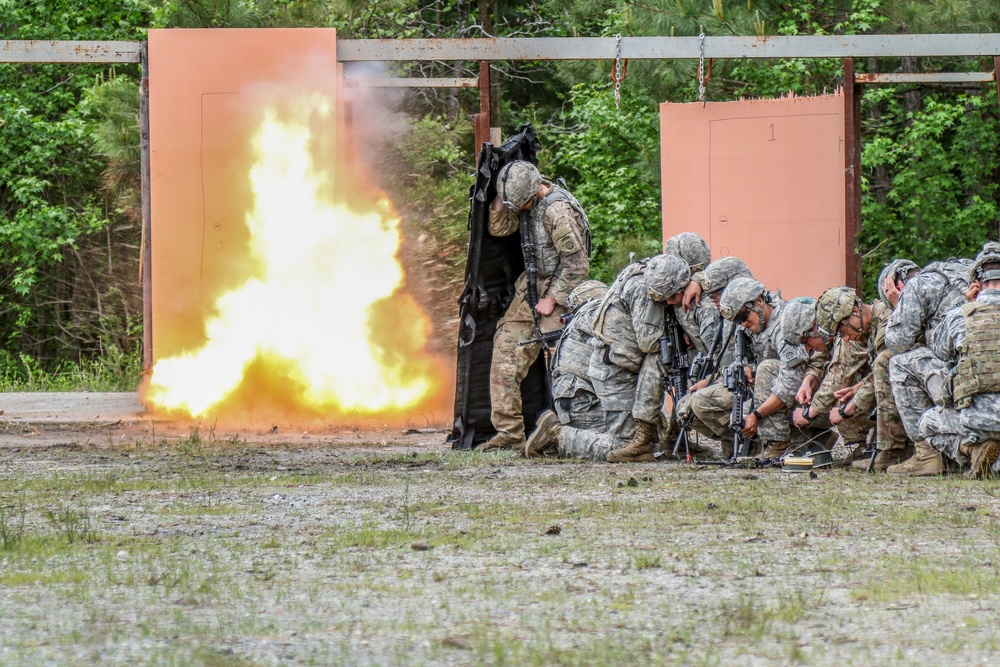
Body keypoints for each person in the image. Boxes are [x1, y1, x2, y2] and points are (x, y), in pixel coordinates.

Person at [480, 161, 590, 452]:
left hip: (559, 291)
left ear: (535, 191)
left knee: (562, 363)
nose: (521, 209)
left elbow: (577, 266)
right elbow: (500, 229)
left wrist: (552, 299)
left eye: (523, 203)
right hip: (529, 286)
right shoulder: (523, 199)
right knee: (505, 350)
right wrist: (500, 202)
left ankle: (567, 434)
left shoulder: (557, 211)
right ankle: (510, 434)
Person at [690, 278, 809, 459]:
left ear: (759, 302)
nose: (743, 323)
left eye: (744, 316)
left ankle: (780, 444)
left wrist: (756, 415)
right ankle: (757, 444)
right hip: (770, 395)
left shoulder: (785, 325)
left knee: (767, 369)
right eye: (738, 320)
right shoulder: (752, 329)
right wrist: (747, 370)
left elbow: (790, 384)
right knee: (702, 408)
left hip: (800, 395)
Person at [916, 241, 1000, 478]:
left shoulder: (959, 317)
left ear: (977, 282)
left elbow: (941, 352)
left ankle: (971, 449)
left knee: (928, 423)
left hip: (976, 418)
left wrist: (967, 305)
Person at [885, 256, 973, 475]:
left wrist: (899, 305)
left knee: (899, 363)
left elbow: (897, 342)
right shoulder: (966, 268)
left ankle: (926, 454)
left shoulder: (917, 286)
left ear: (897, 285)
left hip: (965, 380)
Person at [791, 287, 880, 457]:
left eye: (806, 340)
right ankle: (867, 446)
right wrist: (809, 380)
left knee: (841, 400)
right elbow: (820, 361)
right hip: (872, 384)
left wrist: (808, 414)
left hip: (879, 389)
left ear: (816, 327)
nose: (807, 348)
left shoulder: (848, 333)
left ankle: (878, 446)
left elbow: (839, 377)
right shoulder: (846, 328)